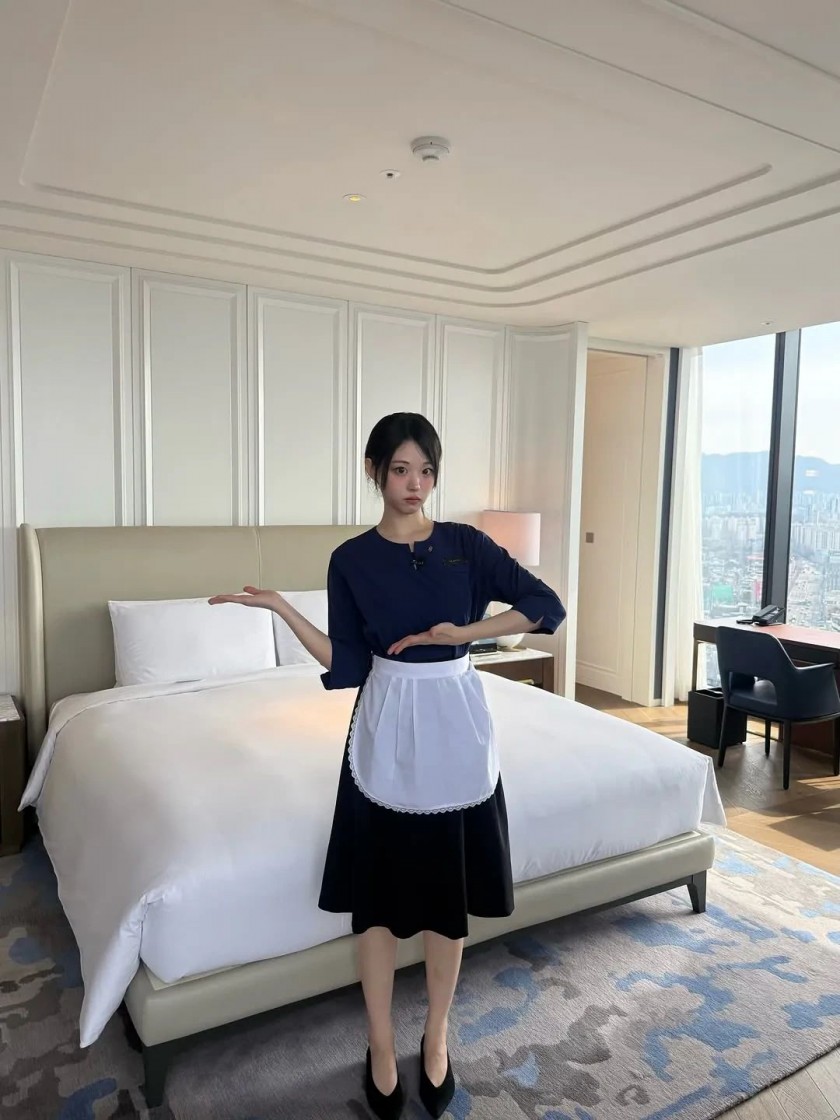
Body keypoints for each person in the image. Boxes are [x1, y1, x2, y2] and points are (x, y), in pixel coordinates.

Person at [210, 412, 565, 1119]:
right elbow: (347, 663)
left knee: (447, 903)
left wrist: (466, 632)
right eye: (401, 470)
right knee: (375, 906)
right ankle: (379, 1043)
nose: (415, 484)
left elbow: (543, 605)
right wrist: (282, 609)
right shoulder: (351, 559)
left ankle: (436, 1037)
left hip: (457, 726)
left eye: (426, 471)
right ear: (375, 471)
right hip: (384, 728)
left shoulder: (466, 545)